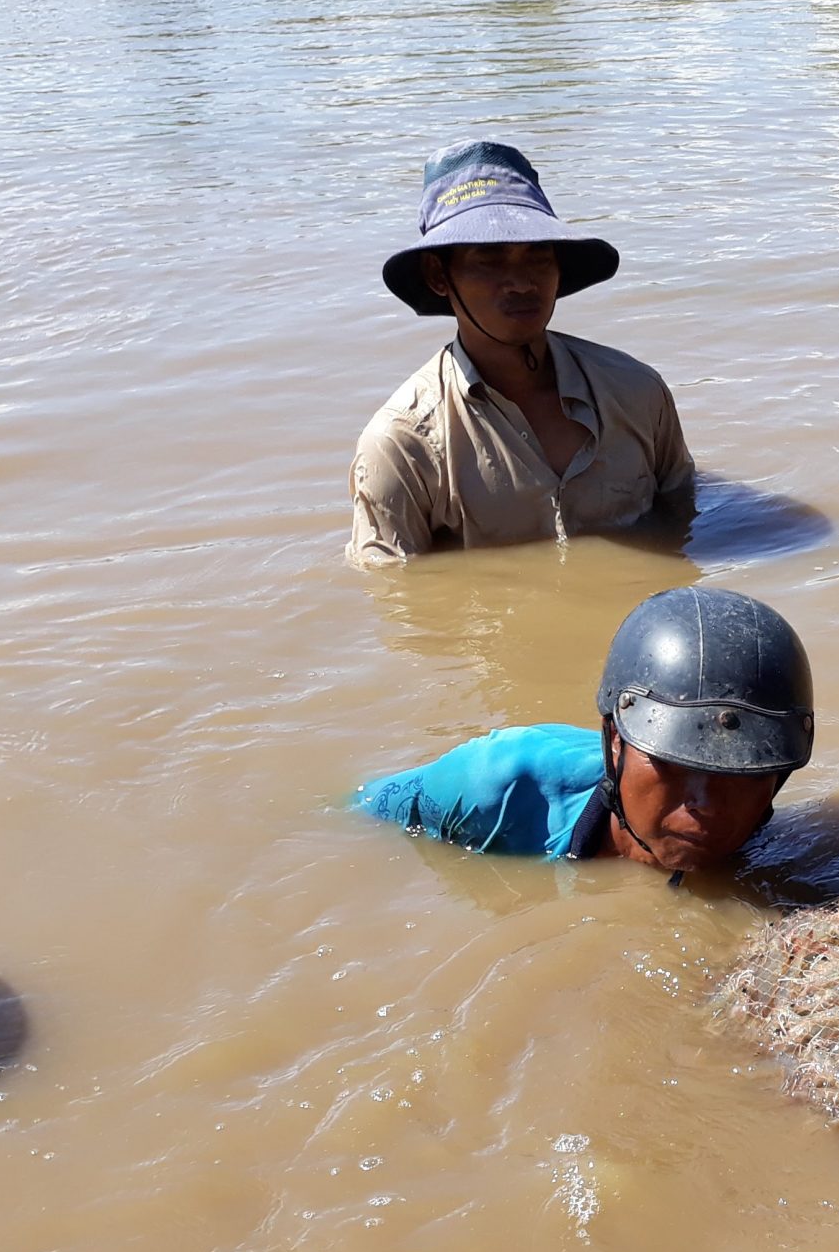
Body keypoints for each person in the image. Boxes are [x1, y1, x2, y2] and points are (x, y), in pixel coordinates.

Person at [348, 139, 695, 565]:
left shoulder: (637, 392)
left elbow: (684, 518)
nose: (521, 282)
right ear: (439, 275)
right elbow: (401, 600)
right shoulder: (403, 444)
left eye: (538, 254)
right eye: (489, 259)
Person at [356, 586, 812, 876]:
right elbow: (357, 816)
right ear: (615, 739)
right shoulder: (496, 784)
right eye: (671, 763)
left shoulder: (762, 838)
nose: (706, 806)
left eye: (742, 774)